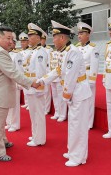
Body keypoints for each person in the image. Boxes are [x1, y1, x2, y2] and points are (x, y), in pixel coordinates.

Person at [0, 26, 40, 162]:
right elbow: (13, 73)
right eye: (8, 38)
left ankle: (2, 141)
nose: (10, 41)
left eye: (12, 38)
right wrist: (31, 83)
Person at [39, 20, 92, 167]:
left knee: (78, 126)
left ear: (62, 38)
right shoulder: (65, 52)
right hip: (74, 93)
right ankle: (73, 151)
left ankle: (78, 157)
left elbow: (70, 76)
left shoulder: (73, 53)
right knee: (73, 125)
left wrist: (66, 96)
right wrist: (42, 81)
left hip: (78, 93)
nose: (53, 40)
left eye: (55, 37)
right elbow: (57, 71)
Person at [24, 23, 48, 147]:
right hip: (30, 87)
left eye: (31, 36)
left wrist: (40, 88)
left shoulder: (40, 52)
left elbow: (41, 72)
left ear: (38, 38)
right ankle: (35, 135)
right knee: (33, 114)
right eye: (28, 35)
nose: (29, 38)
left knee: (38, 114)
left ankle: (39, 139)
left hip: (36, 88)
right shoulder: (32, 51)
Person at [76, 22, 99, 129]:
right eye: (78, 34)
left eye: (82, 33)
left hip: (88, 76)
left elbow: (95, 65)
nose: (79, 36)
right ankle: (81, 119)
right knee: (79, 99)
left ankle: (89, 123)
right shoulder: (76, 47)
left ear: (88, 35)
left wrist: (92, 80)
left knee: (89, 101)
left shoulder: (93, 48)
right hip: (78, 77)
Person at [5, 32, 23, 132]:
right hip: (6, 83)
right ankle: (9, 122)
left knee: (15, 105)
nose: (10, 44)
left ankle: (15, 124)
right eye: (8, 42)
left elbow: (19, 70)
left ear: (14, 44)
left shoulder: (17, 55)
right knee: (8, 104)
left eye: (12, 42)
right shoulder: (4, 54)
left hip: (14, 82)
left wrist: (19, 83)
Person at [41, 32, 53, 115]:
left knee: (47, 91)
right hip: (40, 72)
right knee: (40, 91)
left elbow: (51, 62)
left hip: (47, 71)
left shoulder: (49, 49)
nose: (41, 41)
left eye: (42, 39)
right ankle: (42, 107)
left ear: (45, 40)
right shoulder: (37, 50)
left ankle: (47, 108)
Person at [19, 32, 31, 110]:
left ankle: (30, 104)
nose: (22, 43)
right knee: (24, 89)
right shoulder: (19, 52)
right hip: (22, 71)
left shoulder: (30, 51)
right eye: (21, 42)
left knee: (29, 89)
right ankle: (26, 103)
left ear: (28, 42)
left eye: (24, 42)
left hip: (28, 72)